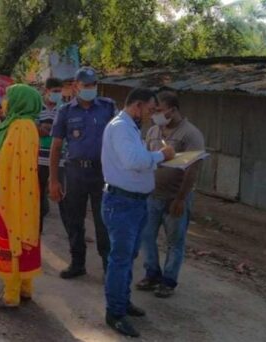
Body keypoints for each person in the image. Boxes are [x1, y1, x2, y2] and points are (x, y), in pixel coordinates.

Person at [100, 88, 175, 338]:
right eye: (151, 110)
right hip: (122, 203)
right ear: (138, 106)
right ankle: (115, 313)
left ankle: (123, 301)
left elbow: (138, 159)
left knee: (128, 257)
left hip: (133, 203)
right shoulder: (121, 127)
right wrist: (160, 155)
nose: (152, 116)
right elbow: (133, 160)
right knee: (120, 260)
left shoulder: (130, 127)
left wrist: (153, 157)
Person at [136, 90, 205, 298]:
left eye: (159, 110)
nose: (154, 114)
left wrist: (181, 198)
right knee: (147, 237)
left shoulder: (191, 134)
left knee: (175, 241)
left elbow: (193, 168)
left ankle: (169, 280)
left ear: (173, 110)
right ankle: (152, 273)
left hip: (175, 197)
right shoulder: (154, 131)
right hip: (152, 195)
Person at [49, 67, 116, 279]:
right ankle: (77, 263)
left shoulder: (108, 107)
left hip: (101, 173)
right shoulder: (66, 111)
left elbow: (118, 139)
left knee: (103, 221)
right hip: (75, 172)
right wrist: (53, 180)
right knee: (74, 220)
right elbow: (56, 146)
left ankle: (108, 266)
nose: (90, 89)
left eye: (93, 85)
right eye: (86, 85)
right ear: (76, 87)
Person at [0, 84, 41, 308]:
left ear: (19, 102)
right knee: (25, 233)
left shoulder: (18, 127)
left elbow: (5, 159)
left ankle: (10, 296)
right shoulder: (29, 125)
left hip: (12, 193)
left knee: (12, 234)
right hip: (26, 192)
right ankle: (25, 288)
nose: (4, 101)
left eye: (8, 97)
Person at [37, 77, 67, 233]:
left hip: (59, 161)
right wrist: (47, 130)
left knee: (63, 199)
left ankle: (71, 235)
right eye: (54, 91)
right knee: (38, 201)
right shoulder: (37, 108)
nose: (57, 94)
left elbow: (59, 133)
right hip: (39, 160)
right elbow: (34, 129)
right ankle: (36, 236)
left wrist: (46, 129)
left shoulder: (64, 109)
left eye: (59, 91)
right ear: (46, 91)